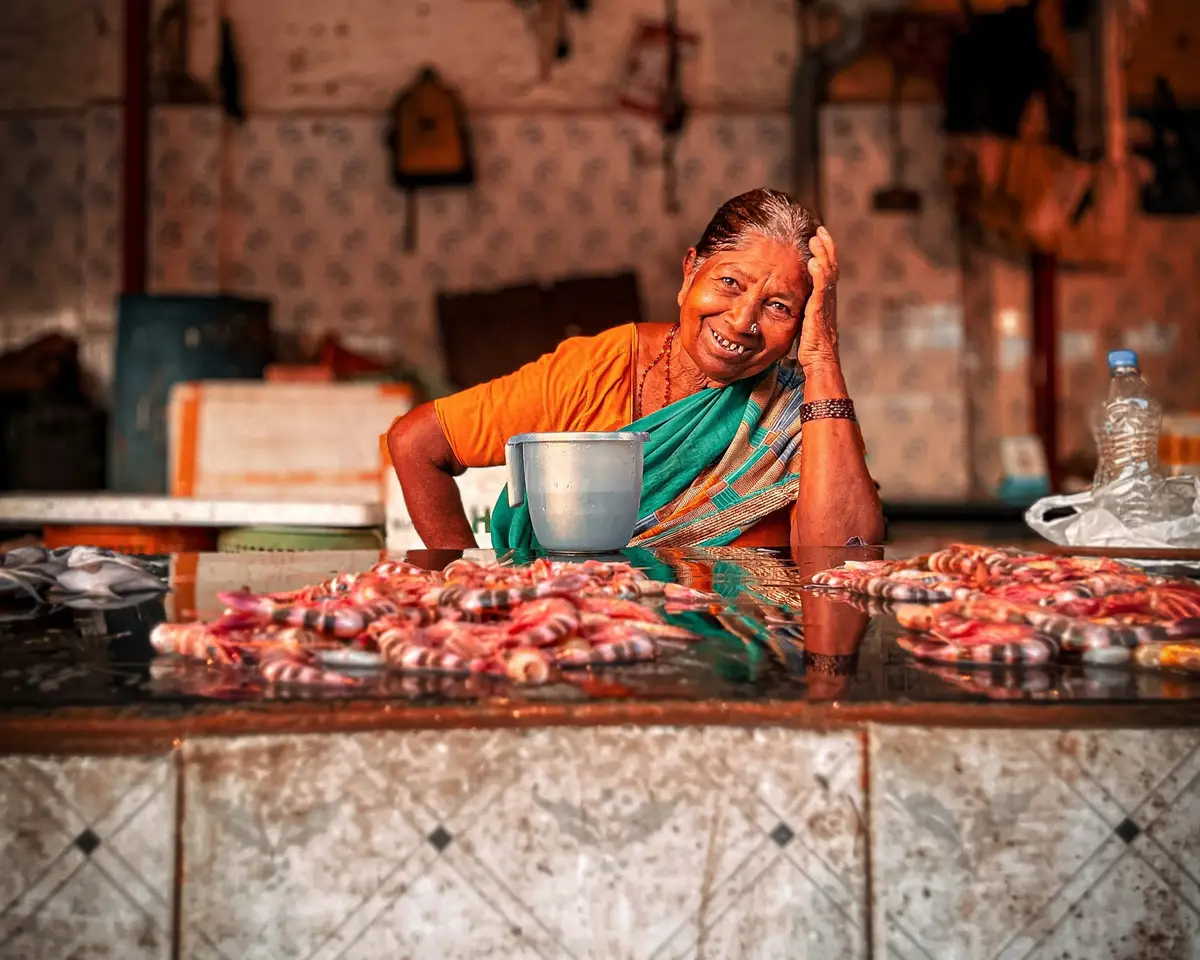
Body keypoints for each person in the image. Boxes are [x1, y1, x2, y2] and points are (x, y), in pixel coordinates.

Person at [388, 187, 884, 551]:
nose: (742, 321)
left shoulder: (810, 411)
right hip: (583, 649)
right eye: (729, 282)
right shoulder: (598, 368)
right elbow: (417, 443)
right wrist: (465, 585)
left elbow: (844, 558)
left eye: (779, 306)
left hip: (744, 663)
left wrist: (822, 357)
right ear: (690, 272)